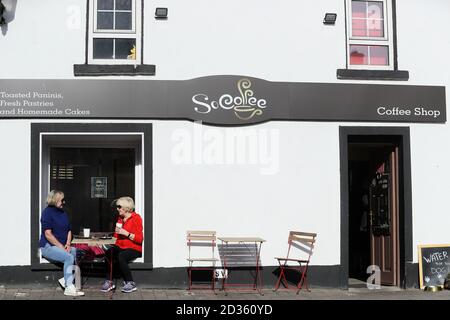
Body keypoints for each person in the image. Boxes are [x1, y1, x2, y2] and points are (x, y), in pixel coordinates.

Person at [39, 190, 85, 296]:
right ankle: (69, 287)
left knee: (79, 254)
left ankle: (65, 280)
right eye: (62, 200)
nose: (64, 202)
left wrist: (68, 244)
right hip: (48, 247)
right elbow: (48, 235)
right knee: (68, 257)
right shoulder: (47, 213)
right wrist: (61, 247)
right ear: (55, 200)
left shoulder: (63, 212)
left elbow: (69, 230)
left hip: (63, 246)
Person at [101, 196, 143, 293]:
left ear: (126, 207)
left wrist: (126, 233)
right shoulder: (120, 219)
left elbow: (140, 239)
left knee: (121, 256)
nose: (117, 209)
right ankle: (109, 281)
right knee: (109, 253)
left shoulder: (136, 218)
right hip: (121, 246)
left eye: (119, 207)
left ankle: (130, 283)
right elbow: (116, 238)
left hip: (134, 248)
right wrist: (108, 242)